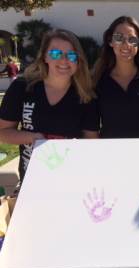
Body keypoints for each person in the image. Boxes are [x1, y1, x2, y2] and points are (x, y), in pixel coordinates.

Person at [0, 29, 99, 185]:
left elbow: (91, 143)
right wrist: (33, 138)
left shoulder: (86, 98)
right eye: (55, 54)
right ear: (45, 56)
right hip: (31, 182)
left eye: (71, 55)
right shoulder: (22, 88)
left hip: (72, 181)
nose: (64, 60)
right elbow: (3, 132)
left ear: (78, 61)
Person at [93, 16, 139, 138]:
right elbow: (90, 127)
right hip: (109, 152)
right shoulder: (97, 79)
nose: (126, 44)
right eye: (119, 38)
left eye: (132, 39)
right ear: (110, 41)